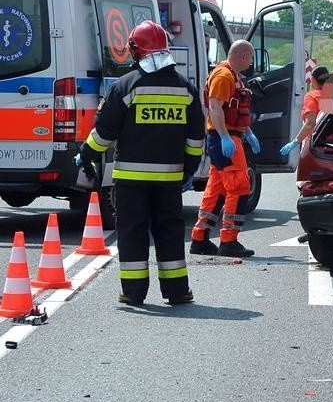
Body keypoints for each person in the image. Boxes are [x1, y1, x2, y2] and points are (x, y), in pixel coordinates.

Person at [77, 20, 204, 306]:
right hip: (170, 180)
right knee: (170, 231)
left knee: (133, 233)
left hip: (131, 181)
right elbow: (196, 138)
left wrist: (86, 154)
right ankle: (177, 291)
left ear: (136, 50)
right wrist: (189, 170)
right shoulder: (186, 89)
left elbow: (104, 133)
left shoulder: (126, 86)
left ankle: (133, 293)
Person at [190, 40, 261, 258]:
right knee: (239, 187)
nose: (251, 63)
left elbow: (233, 108)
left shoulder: (232, 76)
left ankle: (199, 239)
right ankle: (229, 241)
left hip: (227, 137)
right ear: (242, 56)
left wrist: (247, 132)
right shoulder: (223, 76)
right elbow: (215, 107)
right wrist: (224, 137)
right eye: (250, 58)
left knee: (217, 189)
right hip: (225, 138)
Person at [279, 65, 333, 157]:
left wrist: (295, 141)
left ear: (312, 80)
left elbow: (310, 123)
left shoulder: (312, 96)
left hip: (314, 146)